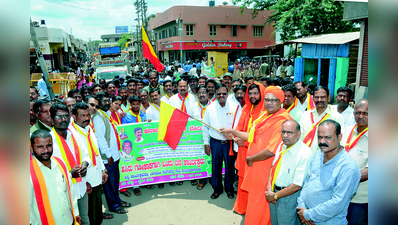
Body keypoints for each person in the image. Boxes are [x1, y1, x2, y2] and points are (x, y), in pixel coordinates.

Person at [220, 86, 292, 224]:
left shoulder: (282, 120)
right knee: (254, 199)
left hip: (265, 166)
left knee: (261, 200)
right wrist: (232, 131)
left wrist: (251, 158)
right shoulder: (265, 115)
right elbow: (251, 136)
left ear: (281, 102)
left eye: (273, 100)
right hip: (255, 166)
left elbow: (271, 150)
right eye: (266, 100)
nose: (269, 103)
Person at [297, 120, 361, 224]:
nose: (322, 141)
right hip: (308, 218)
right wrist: (302, 209)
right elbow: (307, 182)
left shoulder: (348, 167)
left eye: (327, 137)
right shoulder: (318, 154)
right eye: (319, 137)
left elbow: (337, 203)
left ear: (339, 137)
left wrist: (309, 214)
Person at [49, 104, 91, 225]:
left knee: (84, 220)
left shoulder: (75, 134)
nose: (63, 119)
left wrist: (84, 165)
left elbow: (86, 155)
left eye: (66, 116)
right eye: (59, 117)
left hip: (81, 188)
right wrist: (69, 174)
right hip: (63, 193)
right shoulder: (49, 140)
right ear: (52, 120)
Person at [69, 102, 110, 224]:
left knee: (97, 212)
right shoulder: (71, 134)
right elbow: (75, 162)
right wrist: (84, 182)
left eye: (88, 115)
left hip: (96, 176)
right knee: (88, 215)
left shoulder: (88, 129)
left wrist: (103, 170)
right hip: (85, 182)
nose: (87, 118)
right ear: (74, 116)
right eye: (83, 115)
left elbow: (95, 152)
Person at [266, 119, 312, 225]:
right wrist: (269, 191)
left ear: (298, 133)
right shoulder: (282, 145)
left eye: (289, 132)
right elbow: (273, 168)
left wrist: (275, 196)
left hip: (289, 197)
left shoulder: (304, 153)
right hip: (273, 193)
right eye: (283, 132)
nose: (285, 135)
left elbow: (297, 185)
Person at [30, 130, 81, 225]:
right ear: (31, 148)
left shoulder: (60, 163)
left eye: (48, 145)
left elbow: (71, 190)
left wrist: (76, 213)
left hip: (69, 220)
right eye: (40, 147)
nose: (45, 150)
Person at [92, 92, 130, 214]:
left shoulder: (107, 114)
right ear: (98, 103)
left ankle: (117, 200)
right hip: (108, 157)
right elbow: (101, 138)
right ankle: (113, 205)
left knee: (115, 181)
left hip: (114, 154)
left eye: (108, 100)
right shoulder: (98, 117)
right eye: (104, 101)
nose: (106, 103)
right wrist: (108, 155)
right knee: (109, 183)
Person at [203, 83, 241, 199]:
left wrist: (232, 134)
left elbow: (239, 125)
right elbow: (205, 126)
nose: (221, 95)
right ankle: (217, 189)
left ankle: (229, 189)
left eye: (224, 93)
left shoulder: (235, 107)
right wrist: (206, 143)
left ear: (227, 93)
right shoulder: (210, 108)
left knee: (230, 167)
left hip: (229, 143)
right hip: (215, 142)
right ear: (215, 94)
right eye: (218, 93)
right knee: (216, 166)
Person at [342, 99, 368, 225]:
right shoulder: (346, 131)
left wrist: (344, 179)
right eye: (357, 113)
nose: (360, 116)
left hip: (360, 199)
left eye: (365, 113)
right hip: (340, 196)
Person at [299, 86, 345, 154]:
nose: (319, 100)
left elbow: (339, 141)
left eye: (323, 97)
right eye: (316, 97)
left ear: (328, 98)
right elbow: (300, 137)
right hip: (305, 156)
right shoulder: (305, 115)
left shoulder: (336, 117)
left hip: (325, 157)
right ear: (313, 98)